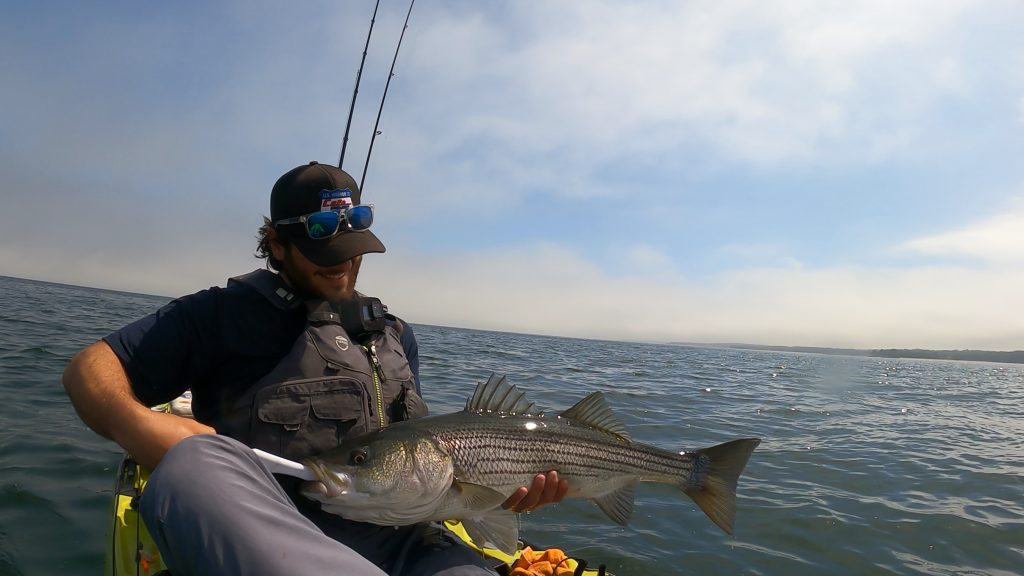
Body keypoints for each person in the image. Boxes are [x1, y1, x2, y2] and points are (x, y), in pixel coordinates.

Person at [62, 161, 568, 576]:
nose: (341, 265)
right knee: (191, 468)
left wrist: (500, 491)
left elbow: (414, 458)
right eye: (321, 250)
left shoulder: (394, 334)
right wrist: (158, 432)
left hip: (406, 540)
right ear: (276, 244)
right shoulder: (219, 315)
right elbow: (88, 370)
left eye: (351, 251)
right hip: (272, 531)